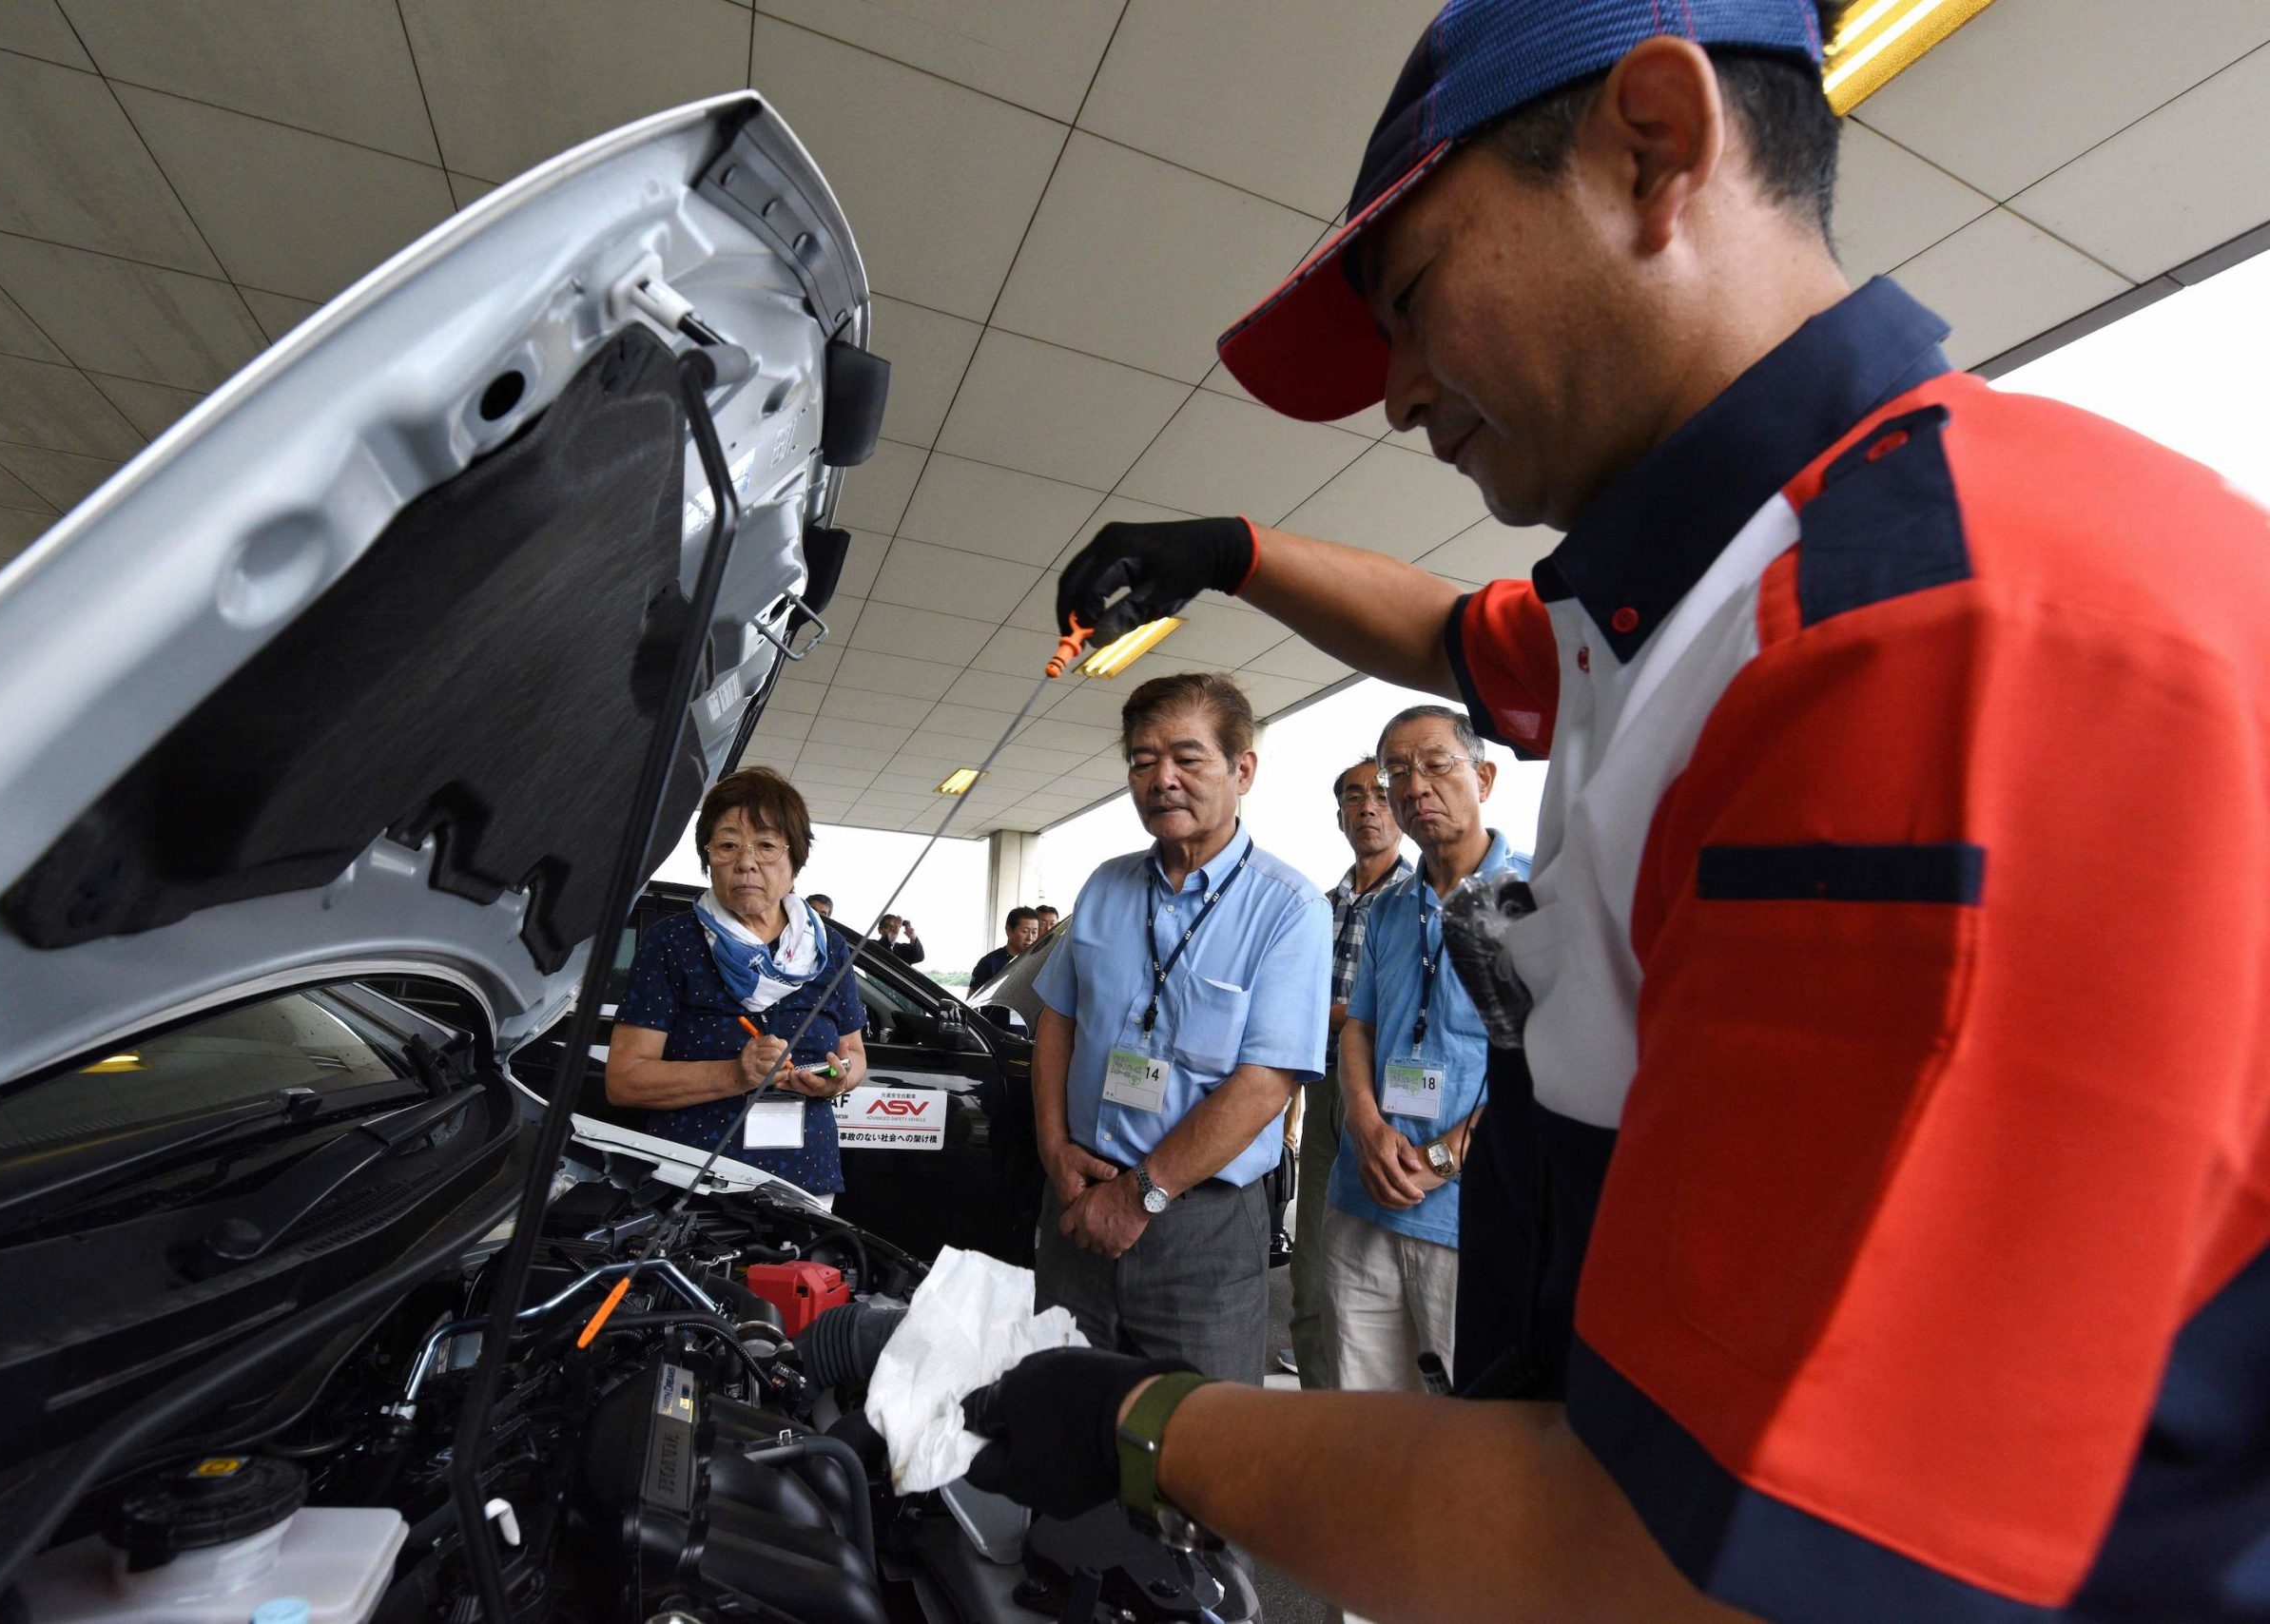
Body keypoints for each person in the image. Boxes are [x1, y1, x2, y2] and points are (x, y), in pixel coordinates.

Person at [965, 2, 2270, 1619]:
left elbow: (1680, 1553)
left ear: (1653, 145)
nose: (1394, 393)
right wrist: (1234, 550)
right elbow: (1455, 632)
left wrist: (1145, 1421)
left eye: (1416, 298)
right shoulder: (1675, 601)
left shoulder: (1919, 639)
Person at [1029, 673, 1330, 1384]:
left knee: (1192, 1457)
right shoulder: (1104, 886)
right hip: (1076, 1197)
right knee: (1059, 1430)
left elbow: (1265, 1085)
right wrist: (1054, 1151)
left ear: (1242, 769)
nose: (1162, 779)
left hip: (1201, 1228)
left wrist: (1137, 1198)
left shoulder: (1289, 908)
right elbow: (1057, 1024)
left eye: (1187, 758)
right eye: (1141, 760)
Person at [1329, 706, 1524, 1394]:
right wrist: (1362, 1119)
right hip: (1365, 1198)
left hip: (1471, 1215)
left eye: (1436, 764)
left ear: (1485, 776)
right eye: (1397, 773)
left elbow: (1551, 1066)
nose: (1414, 787)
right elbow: (1360, 1026)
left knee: (1473, 1424)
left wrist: (1448, 1155)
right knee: (1368, 1415)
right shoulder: (1389, 907)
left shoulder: (1534, 899)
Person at [604, 769, 866, 1205]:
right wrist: (734, 1074)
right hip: (691, 1179)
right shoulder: (673, 943)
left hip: (806, 1177)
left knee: (804, 1273)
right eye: (727, 845)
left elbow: (854, 1054)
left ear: (794, 862)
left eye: (766, 846)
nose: (746, 862)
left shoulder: (829, 949)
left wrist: (838, 1080)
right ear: (708, 858)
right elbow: (625, 1081)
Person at [1283, 755, 1410, 1389]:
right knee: (1311, 1262)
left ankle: (1378, 1426)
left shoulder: (1422, 903)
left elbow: (1418, 1017)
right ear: (1339, 816)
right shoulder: (1316, 906)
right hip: (1318, 1089)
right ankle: (1317, 1405)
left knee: (1375, 1266)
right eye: (1355, 796)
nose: (1369, 807)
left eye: (1383, 795)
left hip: (1390, 1100)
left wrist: (1336, 1014)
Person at [969, 905, 1040, 991]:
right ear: (1009, 930)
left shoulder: (1040, 962)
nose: (1030, 937)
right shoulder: (989, 963)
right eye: (1024, 931)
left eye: (1034, 932)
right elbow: (972, 1000)